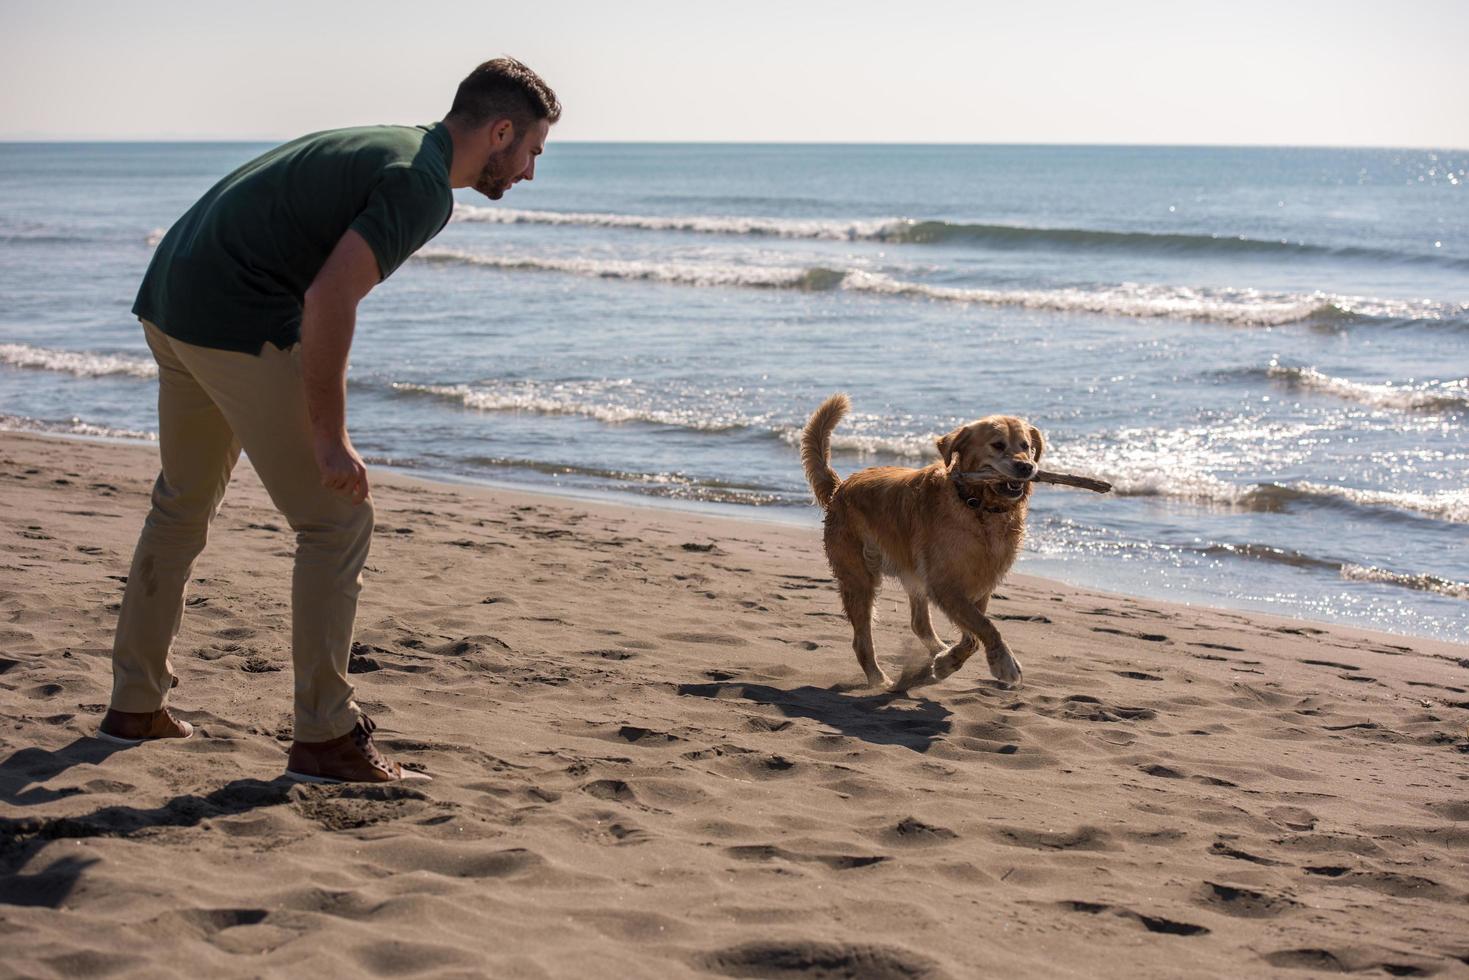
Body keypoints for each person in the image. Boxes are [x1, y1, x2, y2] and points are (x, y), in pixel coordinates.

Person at [96, 57, 560, 784]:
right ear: (500, 131)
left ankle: (134, 705)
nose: (530, 169)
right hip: (230, 316)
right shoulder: (421, 186)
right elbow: (330, 301)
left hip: (172, 298)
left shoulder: (395, 146)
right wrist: (329, 437)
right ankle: (324, 735)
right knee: (336, 520)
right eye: (533, 150)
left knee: (181, 505)